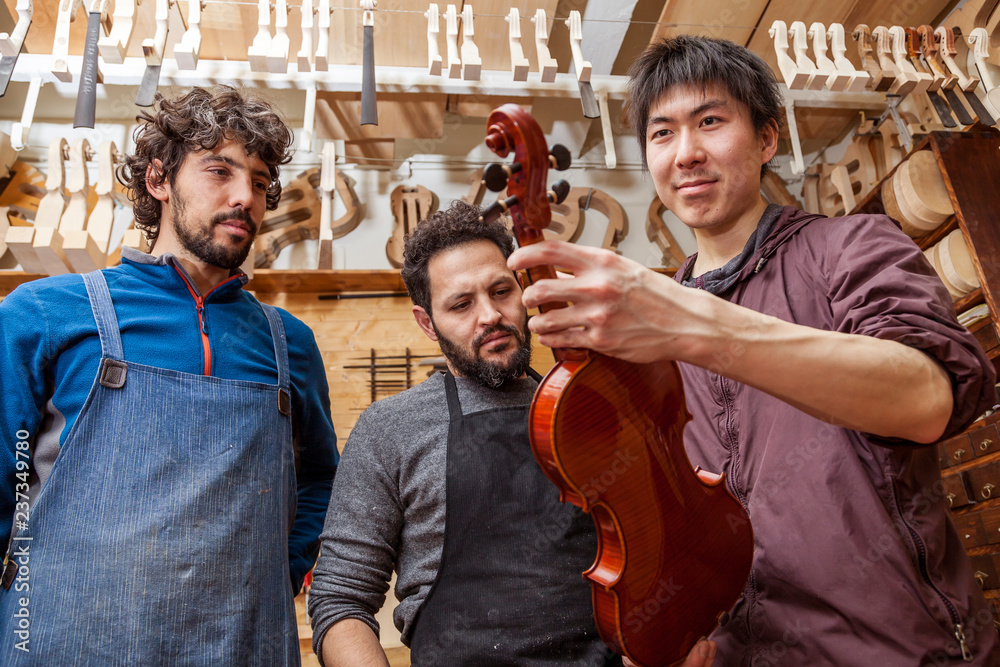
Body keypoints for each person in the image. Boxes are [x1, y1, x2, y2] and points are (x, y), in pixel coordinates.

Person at [508, 35, 1000, 665]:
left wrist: (691, 323)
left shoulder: (851, 248)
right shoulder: (650, 323)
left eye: (710, 121)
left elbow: (927, 398)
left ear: (767, 139)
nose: (686, 153)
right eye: (662, 134)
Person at [0, 86, 338, 664]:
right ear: (158, 180)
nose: (244, 198)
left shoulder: (289, 345)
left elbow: (321, 482)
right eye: (219, 171)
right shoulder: (43, 315)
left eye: (259, 182)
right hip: (65, 643)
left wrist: (275, 578)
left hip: (240, 646)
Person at [307, 200, 716, 667]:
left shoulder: (596, 409)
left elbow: (654, 559)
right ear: (427, 323)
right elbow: (340, 600)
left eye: (501, 291)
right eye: (461, 304)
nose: (490, 316)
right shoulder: (390, 430)